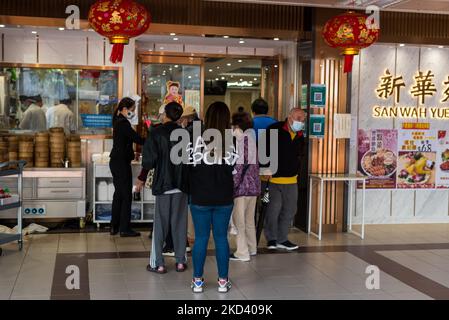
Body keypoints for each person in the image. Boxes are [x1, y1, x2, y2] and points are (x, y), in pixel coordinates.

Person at [189, 101, 235, 293]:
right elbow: (233, 169)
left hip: (200, 196)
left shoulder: (196, 139)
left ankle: (198, 282)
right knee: (221, 239)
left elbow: (190, 166)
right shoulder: (231, 140)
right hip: (224, 197)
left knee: (200, 238)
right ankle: (223, 282)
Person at [140, 102, 189, 274]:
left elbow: (148, 161)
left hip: (163, 184)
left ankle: (158, 263)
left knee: (160, 225)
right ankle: (180, 262)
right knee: (180, 223)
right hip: (182, 185)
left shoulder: (157, 132)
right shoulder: (185, 133)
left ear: (165, 114)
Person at [262, 108, 306, 251]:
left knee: (290, 210)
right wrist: (264, 168)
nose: (301, 122)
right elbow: (262, 149)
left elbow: (300, 155)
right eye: (298, 118)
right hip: (273, 180)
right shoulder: (274, 129)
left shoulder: (300, 135)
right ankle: (271, 239)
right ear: (289, 117)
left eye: (303, 119)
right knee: (272, 210)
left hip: (291, 180)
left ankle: (282, 238)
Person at [110, 97, 145, 237]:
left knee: (118, 194)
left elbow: (125, 142)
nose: (133, 113)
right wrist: (154, 140)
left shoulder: (118, 121)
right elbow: (138, 139)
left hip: (116, 162)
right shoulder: (123, 123)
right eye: (132, 110)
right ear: (124, 109)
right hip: (121, 163)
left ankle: (114, 226)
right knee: (126, 196)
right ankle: (124, 229)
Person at [229, 112, 260, 262]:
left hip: (241, 188)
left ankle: (242, 252)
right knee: (249, 220)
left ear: (237, 125)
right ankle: (252, 247)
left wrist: (233, 184)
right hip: (253, 187)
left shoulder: (241, 140)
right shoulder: (252, 140)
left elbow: (239, 166)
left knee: (239, 221)